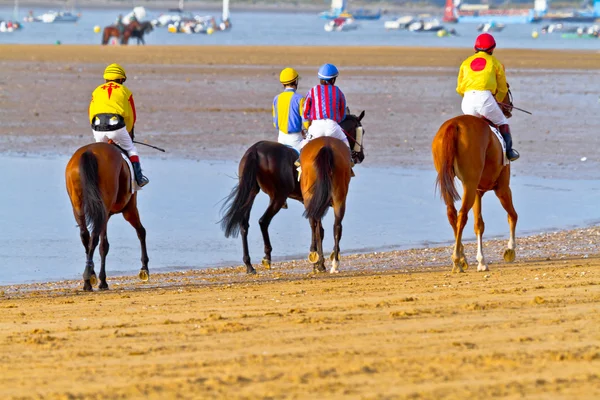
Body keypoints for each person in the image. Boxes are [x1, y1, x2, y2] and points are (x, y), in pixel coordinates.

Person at [456, 33, 519, 161]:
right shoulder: (495, 63)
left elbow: (460, 88)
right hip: (484, 98)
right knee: (502, 121)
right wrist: (498, 101)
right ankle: (509, 153)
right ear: (492, 48)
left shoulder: (466, 63)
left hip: (467, 100)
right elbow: (502, 89)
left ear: (475, 48)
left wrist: (469, 96)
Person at [89, 63, 149, 187]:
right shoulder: (125, 91)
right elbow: (131, 117)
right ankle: (139, 179)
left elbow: (91, 113)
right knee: (131, 149)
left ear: (106, 78)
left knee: (99, 152)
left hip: (97, 127)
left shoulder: (96, 91)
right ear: (121, 79)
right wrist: (126, 131)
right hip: (116, 126)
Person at [300, 63, 350, 150]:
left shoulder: (313, 90)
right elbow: (342, 115)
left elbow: (305, 112)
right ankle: (351, 160)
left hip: (316, 127)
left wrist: (308, 123)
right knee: (346, 143)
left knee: (303, 146)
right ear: (333, 80)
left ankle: (299, 160)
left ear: (320, 79)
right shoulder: (338, 91)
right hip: (332, 126)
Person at [272, 67, 306, 152]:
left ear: (283, 84)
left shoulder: (276, 98)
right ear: (295, 82)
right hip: (295, 139)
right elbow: (306, 122)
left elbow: (275, 124)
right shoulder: (300, 99)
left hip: (281, 138)